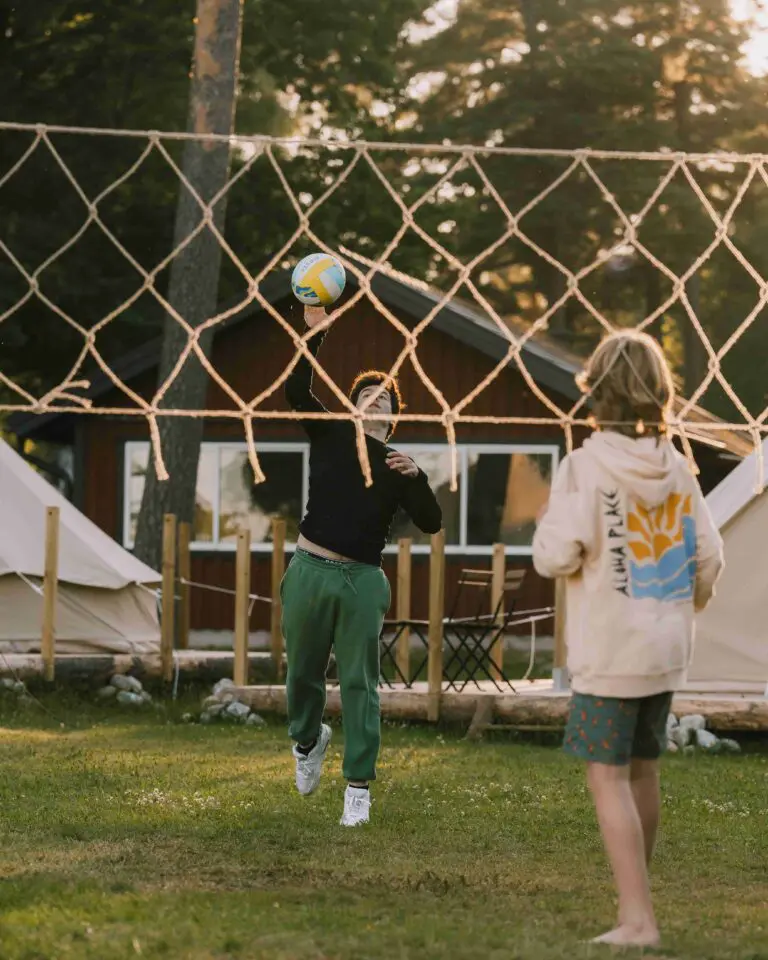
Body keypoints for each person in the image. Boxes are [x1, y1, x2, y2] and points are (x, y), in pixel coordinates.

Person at [532, 330, 724, 947]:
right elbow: (710, 557)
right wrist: (677, 607)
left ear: (596, 391)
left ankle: (638, 919)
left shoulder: (585, 467)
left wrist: (556, 532)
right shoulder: (679, 469)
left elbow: (555, 555)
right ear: (661, 394)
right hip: (666, 651)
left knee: (607, 777)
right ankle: (634, 899)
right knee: (643, 771)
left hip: (613, 652)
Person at [282, 303, 442, 827]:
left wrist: (418, 476)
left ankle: (358, 788)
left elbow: (433, 522)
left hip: (362, 582)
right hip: (308, 570)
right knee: (302, 674)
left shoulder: (399, 467)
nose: (373, 406)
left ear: (393, 418)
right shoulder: (327, 435)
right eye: (364, 399)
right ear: (351, 409)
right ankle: (308, 741)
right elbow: (294, 392)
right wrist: (316, 336)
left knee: (359, 684)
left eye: (383, 402)